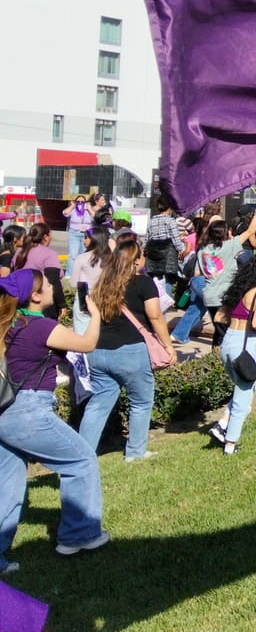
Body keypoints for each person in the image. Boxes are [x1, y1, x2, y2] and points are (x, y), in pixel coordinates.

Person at [0, 269, 108, 568]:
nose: (52, 286)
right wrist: (95, 314)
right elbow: (86, 344)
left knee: (7, 486)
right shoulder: (40, 327)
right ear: (35, 296)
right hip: (28, 412)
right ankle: (78, 535)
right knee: (81, 460)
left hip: (4, 413)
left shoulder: (10, 323)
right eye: (47, 284)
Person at [79, 238, 178, 461]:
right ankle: (135, 452)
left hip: (98, 351)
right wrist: (168, 346)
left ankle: (82, 455)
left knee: (98, 404)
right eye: (141, 255)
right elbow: (155, 316)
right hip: (131, 351)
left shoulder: (103, 283)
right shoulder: (143, 283)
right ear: (135, 261)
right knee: (141, 402)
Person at [209, 252, 256, 455]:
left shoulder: (239, 288)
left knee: (241, 389)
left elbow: (220, 317)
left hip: (228, 340)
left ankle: (222, 423)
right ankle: (230, 443)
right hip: (246, 344)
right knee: (244, 396)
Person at [198, 199, 256, 342]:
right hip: (225, 296)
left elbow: (197, 272)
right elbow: (251, 231)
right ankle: (223, 361)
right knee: (227, 333)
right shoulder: (229, 246)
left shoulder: (203, 251)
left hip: (209, 296)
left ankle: (214, 360)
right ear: (225, 233)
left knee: (219, 332)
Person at [12, 223, 66, 320]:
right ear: (45, 237)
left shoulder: (19, 252)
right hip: (42, 302)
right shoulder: (49, 254)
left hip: (21, 299)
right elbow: (53, 281)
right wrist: (62, 304)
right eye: (50, 236)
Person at [71, 226, 111, 336]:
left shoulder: (82, 258)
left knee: (81, 331)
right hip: (104, 298)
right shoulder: (110, 259)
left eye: (85, 237)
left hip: (84, 297)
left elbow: (73, 283)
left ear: (94, 239)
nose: (83, 240)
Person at [143, 195, 185, 289]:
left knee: (156, 279)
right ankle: (167, 302)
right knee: (168, 280)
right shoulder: (170, 221)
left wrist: (144, 251)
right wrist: (181, 251)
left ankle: (157, 300)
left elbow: (147, 239)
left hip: (154, 255)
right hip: (168, 255)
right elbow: (176, 239)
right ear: (169, 208)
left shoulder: (151, 221)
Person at [62, 193, 96, 276]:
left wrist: (89, 208)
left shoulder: (88, 210)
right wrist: (72, 206)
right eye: (78, 201)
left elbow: (95, 216)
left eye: (82, 201)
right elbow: (65, 213)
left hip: (86, 235)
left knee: (84, 254)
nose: (80, 202)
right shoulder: (73, 210)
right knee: (73, 255)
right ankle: (69, 274)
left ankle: (81, 274)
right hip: (74, 233)